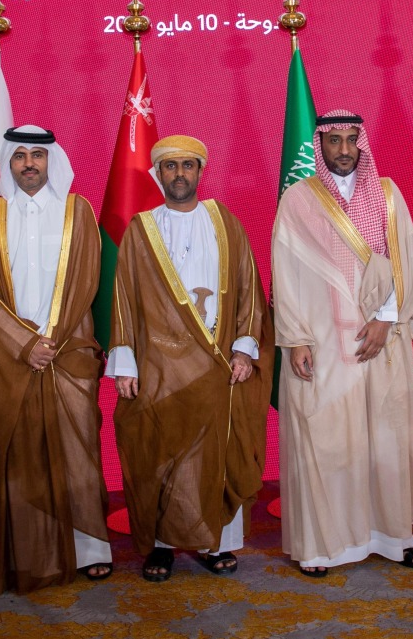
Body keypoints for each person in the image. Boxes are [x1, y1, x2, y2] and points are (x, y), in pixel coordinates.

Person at [272, 110, 413, 576]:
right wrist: (295, 339)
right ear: (319, 145)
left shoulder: (387, 194)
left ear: (362, 143)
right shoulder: (298, 199)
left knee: (386, 437)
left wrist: (385, 319)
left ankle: (394, 536)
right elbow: (286, 273)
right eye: (334, 140)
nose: (343, 150)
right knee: (326, 440)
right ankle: (324, 547)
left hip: (382, 340)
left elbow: (406, 260)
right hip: (322, 342)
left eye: (350, 140)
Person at [107, 135, 272, 582]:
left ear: (200, 171)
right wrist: (124, 363)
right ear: (158, 173)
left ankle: (214, 542)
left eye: (187, 165)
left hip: (217, 365)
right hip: (157, 368)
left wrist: (244, 348)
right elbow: (122, 297)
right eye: (170, 166)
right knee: (159, 453)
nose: (179, 174)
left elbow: (249, 289)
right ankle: (162, 546)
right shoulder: (141, 229)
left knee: (213, 455)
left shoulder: (225, 223)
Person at [0, 126, 111, 593]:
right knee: (19, 453)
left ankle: (90, 548)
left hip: (68, 351)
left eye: (37, 155)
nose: (29, 163)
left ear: (53, 160)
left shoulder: (78, 211)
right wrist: (24, 343)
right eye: (19, 156)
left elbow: (88, 279)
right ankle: (24, 551)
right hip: (9, 357)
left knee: (77, 449)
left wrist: (51, 339)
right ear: (8, 163)